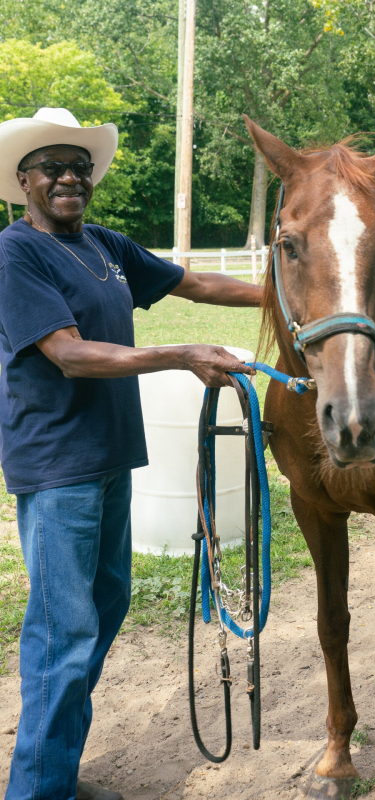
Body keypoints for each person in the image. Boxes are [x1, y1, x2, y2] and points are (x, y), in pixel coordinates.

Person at [0, 108, 262, 800]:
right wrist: (182, 354)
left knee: (105, 606)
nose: (69, 178)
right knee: (63, 634)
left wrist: (288, 298)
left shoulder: (106, 246)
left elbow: (195, 284)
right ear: (24, 180)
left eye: (79, 167)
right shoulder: (16, 253)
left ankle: (53, 775)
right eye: (52, 167)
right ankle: (36, 792)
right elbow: (69, 354)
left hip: (110, 457)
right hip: (58, 466)